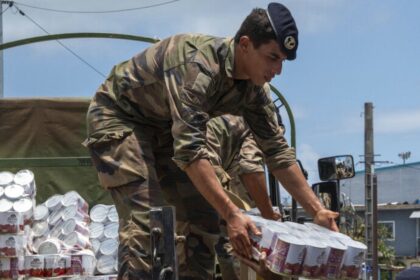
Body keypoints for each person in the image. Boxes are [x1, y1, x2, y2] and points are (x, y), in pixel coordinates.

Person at [84, 2, 339, 279]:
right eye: (272, 57)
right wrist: (231, 214)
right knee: (148, 224)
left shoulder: (254, 91)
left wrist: (318, 211)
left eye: (282, 61)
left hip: (164, 129)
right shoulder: (198, 66)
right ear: (245, 44)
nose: (277, 69)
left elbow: (277, 152)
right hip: (119, 117)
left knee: (202, 219)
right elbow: (191, 150)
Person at [206, 114, 282, 280]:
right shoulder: (261, 127)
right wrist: (269, 216)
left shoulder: (220, 115)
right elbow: (249, 167)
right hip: (204, 167)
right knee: (245, 233)